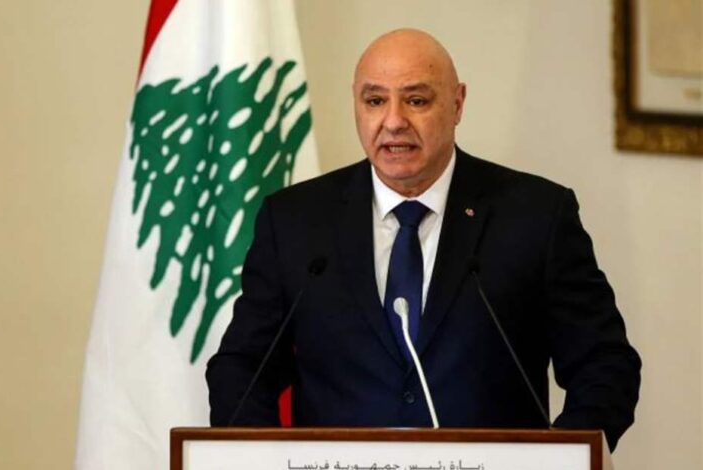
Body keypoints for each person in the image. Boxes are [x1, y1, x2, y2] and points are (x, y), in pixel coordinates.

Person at [206, 29, 641, 451]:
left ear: (457, 103)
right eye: (375, 101)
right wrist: (260, 458)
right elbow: (242, 368)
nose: (394, 122)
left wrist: (559, 461)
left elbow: (604, 365)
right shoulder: (296, 221)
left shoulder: (535, 216)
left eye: (416, 100)